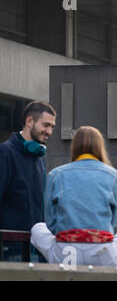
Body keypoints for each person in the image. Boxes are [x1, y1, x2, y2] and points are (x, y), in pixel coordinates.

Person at [30, 126, 117, 266]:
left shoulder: (56, 175)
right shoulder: (114, 176)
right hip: (102, 252)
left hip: (65, 252)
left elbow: (50, 223)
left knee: (37, 228)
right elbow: (114, 220)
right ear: (100, 146)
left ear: (74, 147)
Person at [0, 101, 56, 261]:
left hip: (36, 251)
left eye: (52, 127)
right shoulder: (5, 153)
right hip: (9, 251)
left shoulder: (39, 158)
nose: (50, 131)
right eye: (46, 125)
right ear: (30, 121)